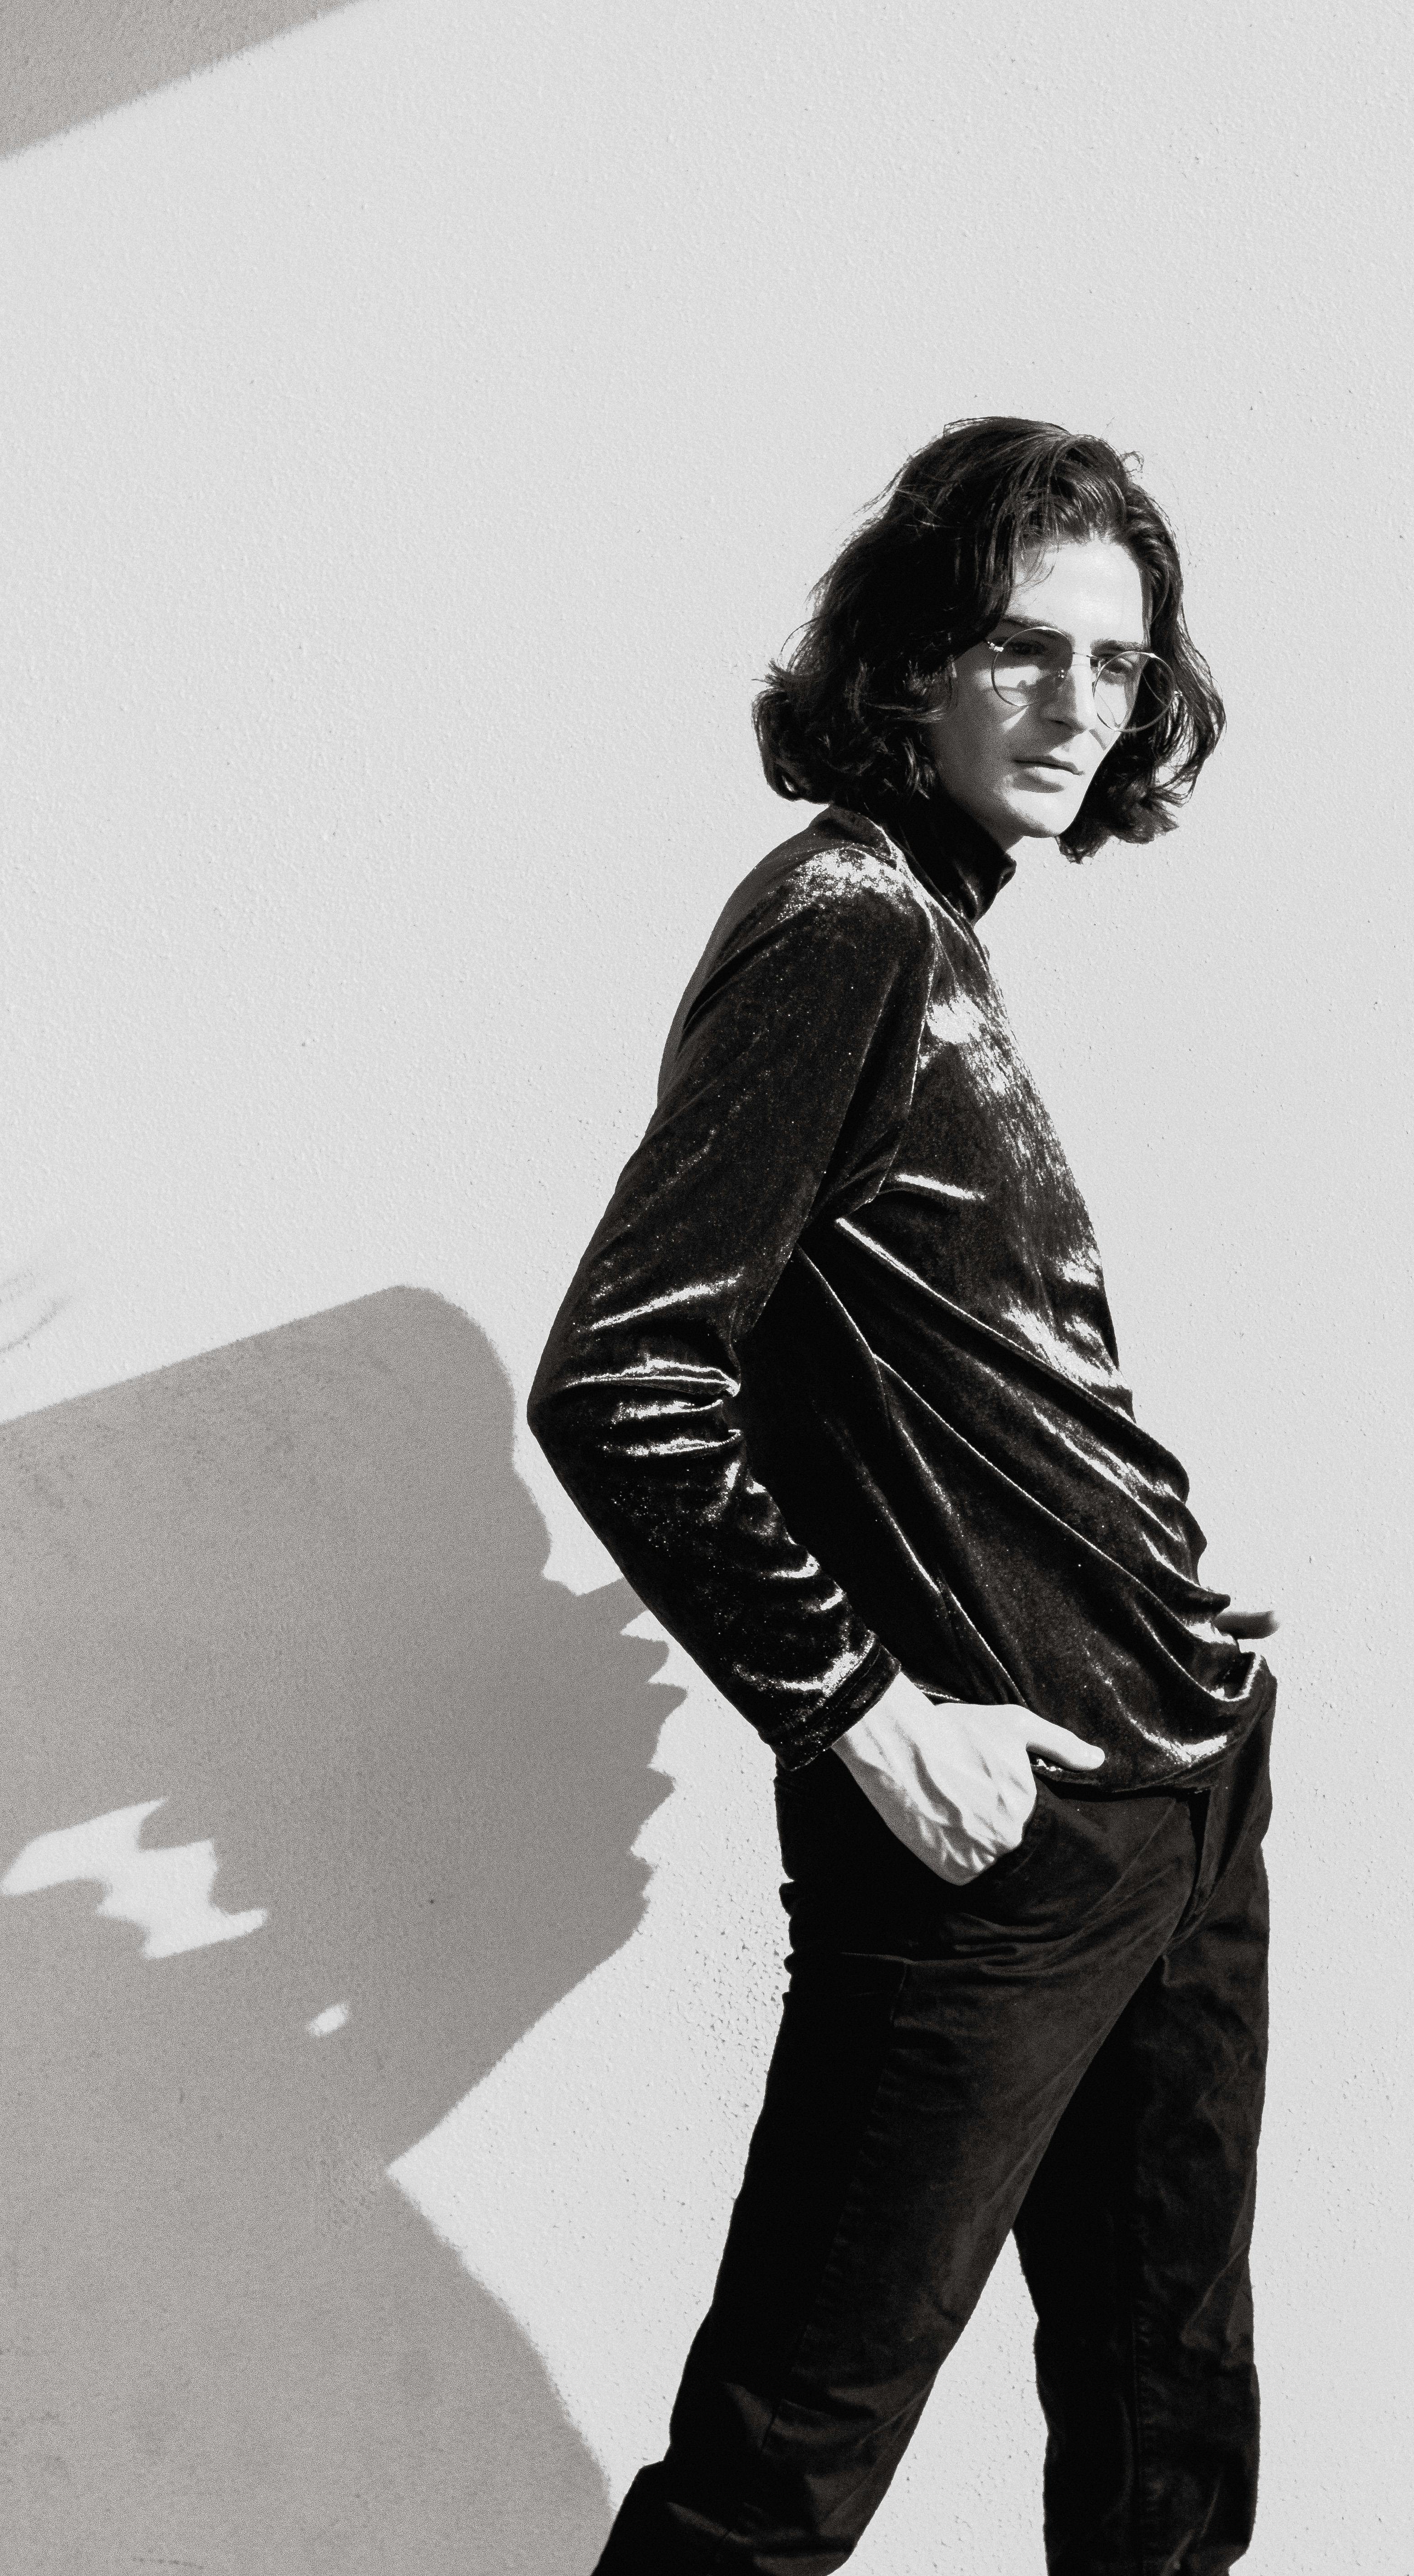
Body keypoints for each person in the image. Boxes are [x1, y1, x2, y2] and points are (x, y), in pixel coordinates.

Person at [530, 415, 1278, 2576]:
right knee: (778, 2469)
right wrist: (861, 1710)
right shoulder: (845, 921)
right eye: (1022, 650)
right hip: (1006, 1840)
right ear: (909, 662)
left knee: (1163, 2433)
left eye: (1116, 669)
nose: (1071, 708)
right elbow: (628, 1375)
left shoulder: (940, 929)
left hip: (1186, 1773)